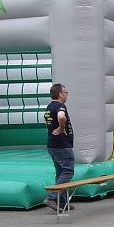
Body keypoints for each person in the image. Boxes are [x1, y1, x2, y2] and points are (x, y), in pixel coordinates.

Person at [43, 83, 74, 211]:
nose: (67, 95)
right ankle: (52, 197)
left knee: (60, 172)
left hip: (52, 144)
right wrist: (61, 128)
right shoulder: (60, 106)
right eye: (66, 93)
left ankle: (61, 202)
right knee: (68, 171)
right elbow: (61, 116)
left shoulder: (49, 107)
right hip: (62, 145)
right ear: (60, 94)